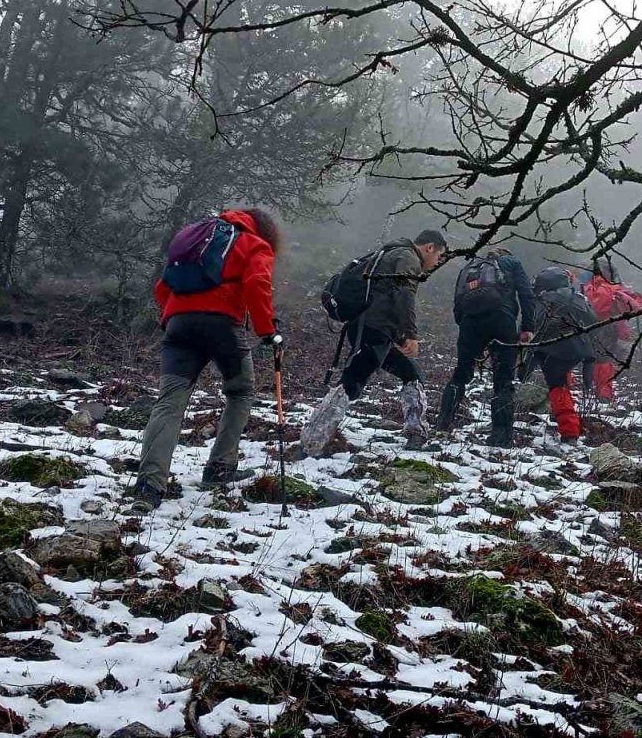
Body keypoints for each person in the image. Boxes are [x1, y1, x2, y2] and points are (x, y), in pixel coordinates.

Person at [130, 208, 281, 514]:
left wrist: (178, 313)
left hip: (178, 324)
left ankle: (149, 487)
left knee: (169, 403)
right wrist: (268, 332)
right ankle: (220, 469)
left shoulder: (195, 238)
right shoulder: (255, 244)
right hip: (223, 326)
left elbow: (163, 286)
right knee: (240, 392)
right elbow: (256, 284)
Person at [301, 229, 448, 455]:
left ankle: (415, 432)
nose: (436, 262)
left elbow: (383, 296)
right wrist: (410, 334)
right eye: (438, 256)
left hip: (370, 328)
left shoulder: (390, 253)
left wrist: (397, 336)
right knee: (351, 383)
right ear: (429, 247)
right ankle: (313, 440)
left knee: (412, 374)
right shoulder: (408, 258)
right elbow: (403, 296)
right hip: (372, 330)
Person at [435, 247, 535, 447]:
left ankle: (442, 425)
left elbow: (458, 301)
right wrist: (527, 327)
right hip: (503, 319)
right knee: (503, 379)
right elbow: (526, 295)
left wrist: (465, 328)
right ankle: (501, 436)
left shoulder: (470, 267)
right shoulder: (512, 263)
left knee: (460, 374)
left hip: (470, 322)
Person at [529, 266, 599, 447]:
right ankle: (563, 414)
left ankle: (569, 431)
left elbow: (531, 324)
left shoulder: (540, 299)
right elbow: (593, 320)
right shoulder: (576, 296)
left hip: (550, 349)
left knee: (557, 386)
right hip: (577, 348)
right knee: (562, 378)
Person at [582, 259, 642, 401]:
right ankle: (604, 393)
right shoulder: (613, 288)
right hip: (608, 326)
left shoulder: (588, 286)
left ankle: (578, 390)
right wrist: (624, 333)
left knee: (585, 358)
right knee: (604, 360)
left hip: (585, 326)